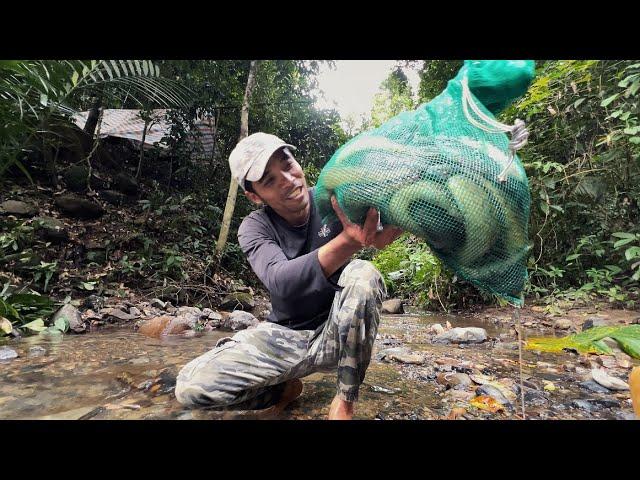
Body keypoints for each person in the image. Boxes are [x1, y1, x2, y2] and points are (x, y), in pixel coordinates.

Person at [175, 132, 403, 419]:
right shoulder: (254, 227)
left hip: (338, 331)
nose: (287, 179)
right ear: (254, 196)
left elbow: (383, 217)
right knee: (190, 387)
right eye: (269, 180)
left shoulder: (333, 199)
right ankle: (284, 391)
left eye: (287, 163)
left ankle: (345, 399)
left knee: (364, 273)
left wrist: (383, 230)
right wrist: (350, 241)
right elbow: (282, 282)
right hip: (285, 335)